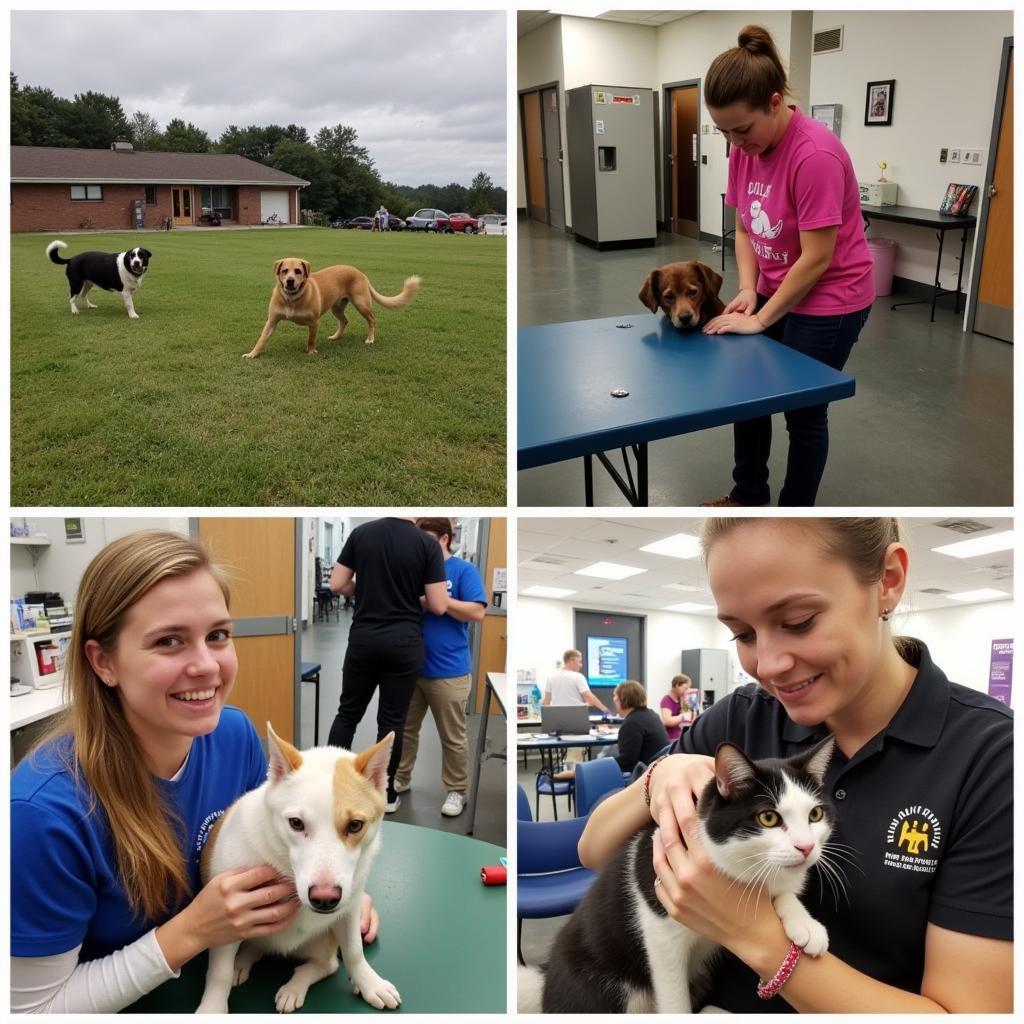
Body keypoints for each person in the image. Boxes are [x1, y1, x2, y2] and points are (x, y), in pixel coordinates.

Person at [579, 518, 1012, 1012]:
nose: (768, 664)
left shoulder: (992, 759)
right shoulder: (741, 718)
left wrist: (756, 937)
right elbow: (594, 849)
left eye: (799, 621)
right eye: (742, 634)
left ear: (887, 580)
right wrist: (657, 778)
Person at [10, 530, 379, 1013]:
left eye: (218, 635)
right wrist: (193, 931)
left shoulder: (234, 734)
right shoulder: (40, 817)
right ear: (104, 662)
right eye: (169, 641)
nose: (206, 665)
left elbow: (280, 842)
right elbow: (30, 1013)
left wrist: (334, 889)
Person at [699, 26, 875, 508]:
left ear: (774, 103)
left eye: (742, 129)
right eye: (724, 131)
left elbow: (817, 258)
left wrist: (759, 318)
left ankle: (793, 516)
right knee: (749, 396)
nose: (735, 142)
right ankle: (747, 497)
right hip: (777, 288)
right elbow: (744, 227)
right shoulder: (743, 150)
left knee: (803, 412)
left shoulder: (814, 155)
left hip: (831, 298)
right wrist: (750, 288)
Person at [327, 517, 448, 813]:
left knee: (348, 713)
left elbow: (336, 584)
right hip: (404, 643)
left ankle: (333, 785)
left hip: (364, 639)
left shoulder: (361, 534)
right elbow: (439, 605)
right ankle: (386, 792)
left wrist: (366, 589)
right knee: (393, 723)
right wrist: (408, 594)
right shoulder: (427, 544)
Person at [394, 517, 488, 818]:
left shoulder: (463, 570)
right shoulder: (414, 569)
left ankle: (457, 789)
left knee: (453, 735)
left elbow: (476, 611)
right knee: (405, 731)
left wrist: (440, 601)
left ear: (445, 538)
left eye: (427, 537)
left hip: (449, 671)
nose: (420, 544)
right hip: (411, 668)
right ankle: (401, 778)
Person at [611, 680, 669, 774]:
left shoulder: (631, 723)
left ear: (622, 699)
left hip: (647, 774)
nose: (614, 700)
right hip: (661, 769)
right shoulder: (652, 714)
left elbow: (627, 762)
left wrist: (600, 766)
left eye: (615, 696)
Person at [542, 649, 610, 714]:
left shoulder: (551, 677)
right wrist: (604, 709)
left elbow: (546, 701)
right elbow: (589, 696)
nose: (581, 665)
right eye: (579, 662)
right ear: (572, 660)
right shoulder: (578, 676)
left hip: (557, 718)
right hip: (576, 716)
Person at [659, 673, 696, 742]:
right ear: (677, 685)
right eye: (685, 688)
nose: (687, 691)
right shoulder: (667, 700)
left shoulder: (682, 698)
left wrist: (686, 704)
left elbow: (689, 718)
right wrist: (683, 716)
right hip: (671, 739)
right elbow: (667, 721)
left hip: (682, 736)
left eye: (689, 688)